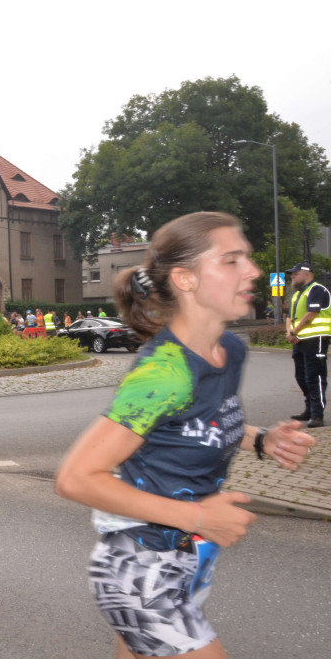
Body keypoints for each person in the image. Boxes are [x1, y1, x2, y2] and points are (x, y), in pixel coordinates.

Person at [56, 211, 317, 659]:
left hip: (185, 558)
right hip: (140, 562)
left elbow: (203, 421)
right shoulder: (164, 373)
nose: (253, 271)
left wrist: (260, 439)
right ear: (185, 279)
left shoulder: (230, 350)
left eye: (248, 259)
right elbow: (77, 478)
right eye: (232, 260)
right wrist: (197, 517)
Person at [285, 262, 331, 428]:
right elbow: (289, 316)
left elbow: (312, 314)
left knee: (315, 377)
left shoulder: (317, 290)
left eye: (295, 273)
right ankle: (310, 409)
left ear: (306, 273)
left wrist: (294, 332)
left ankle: (317, 415)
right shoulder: (298, 294)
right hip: (300, 340)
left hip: (316, 339)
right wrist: (290, 332)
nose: (293, 277)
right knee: (301, 376)